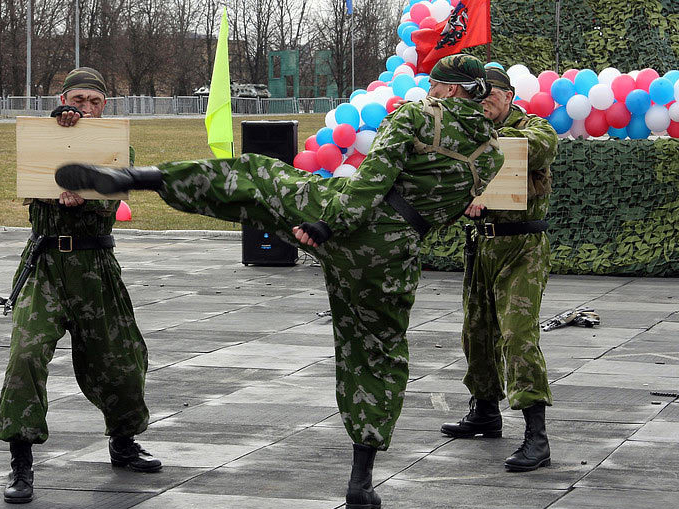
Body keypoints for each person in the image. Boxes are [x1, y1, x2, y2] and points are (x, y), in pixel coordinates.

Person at [55, 54, 503, 509]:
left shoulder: (415, 116)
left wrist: (329, 225)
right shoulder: (494, 153)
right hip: (394, 257)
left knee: (252, 178)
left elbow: (371, 181)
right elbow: (444, 214)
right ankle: (361, 481)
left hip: (341, 220)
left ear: (448, 89)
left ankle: (136, 178)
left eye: (435, 87)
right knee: (376, 357)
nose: (431, 92)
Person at [0, 67, 161, 505]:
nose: (85, 109)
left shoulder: (114, 144)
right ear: (64, 100)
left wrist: (84, 194)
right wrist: (55, 185)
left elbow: (110, 203)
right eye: (78, 100)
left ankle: (123, 443)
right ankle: (21, 461)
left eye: (94, 101)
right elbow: (32, 177)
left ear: (104, 105)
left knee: (122, 360)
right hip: (46, 266)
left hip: (95, 267)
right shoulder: (44, 134)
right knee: (25, 359)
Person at [440, 67, 558, 472]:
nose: (484, 100)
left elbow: (537, 150)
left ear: (509, 95)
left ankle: (536, 436)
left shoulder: (532, 126)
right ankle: (485, 410)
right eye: (479, 94)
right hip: (483, 243)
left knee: (518, 335)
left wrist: (483, 145)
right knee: (477, 331)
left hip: (522, 245)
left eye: (491, 94)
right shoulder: (471, 126)